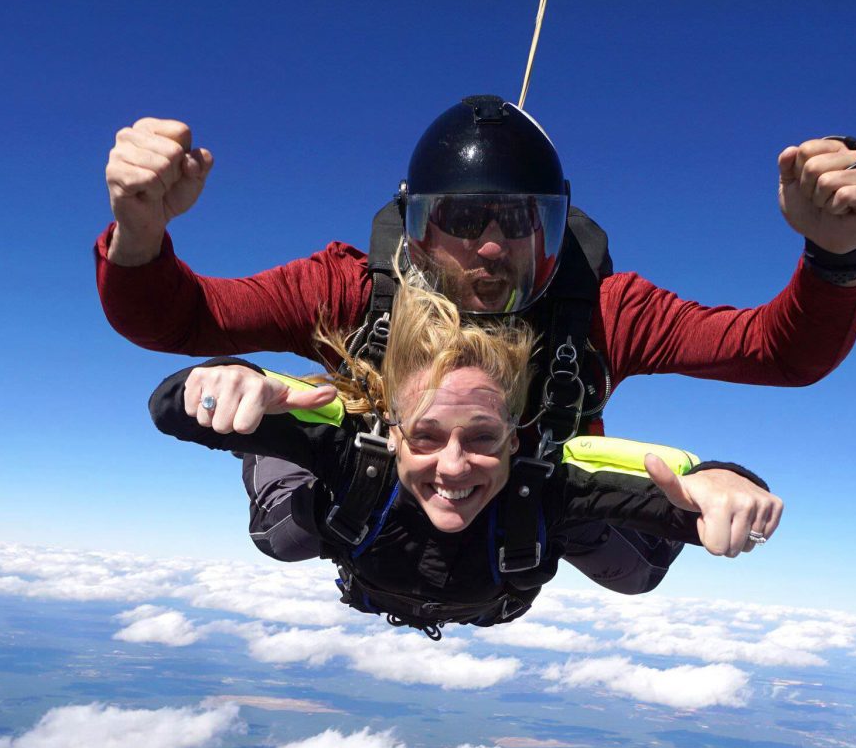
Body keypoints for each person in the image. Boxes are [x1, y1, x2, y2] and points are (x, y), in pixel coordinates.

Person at [100, 95, 856, 588]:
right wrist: (141, 234)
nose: (489, 249)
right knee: (288, 517)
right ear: (416, 229)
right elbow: (180, 319)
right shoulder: (348, 290)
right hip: (367, 470)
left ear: (552, 229)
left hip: (540, 495)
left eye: (518, 222)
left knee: (635, 571)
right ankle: (277, 421)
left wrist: (834, 255)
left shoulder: (604, 311)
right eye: (463, 220)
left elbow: (776, 353)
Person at [150, 267, 783, 639]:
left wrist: (726, 483)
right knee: (282, 531)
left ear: (515, 436)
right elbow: (171, 411)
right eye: (425, 436)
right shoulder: (354, 451)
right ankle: (283, 423)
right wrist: (222, 382)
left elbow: (691, 510)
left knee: (635, 576)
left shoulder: (543, 485)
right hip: (357, 517)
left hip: (490, 591)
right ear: (391, 429)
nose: (452, 466)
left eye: (482, 438)